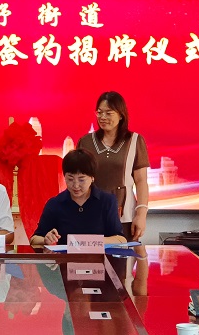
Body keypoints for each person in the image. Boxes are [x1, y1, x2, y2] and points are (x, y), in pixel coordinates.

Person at [76, 91, 150, 241]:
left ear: (121, 115)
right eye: (99, 112)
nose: (103, 117)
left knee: (123, 253)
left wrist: (141, 215)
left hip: (124, 214)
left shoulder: (135, 141)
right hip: (90, 212)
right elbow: (77, 178)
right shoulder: (86, 142)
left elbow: (141, 181)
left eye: (108, 113)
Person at [30, 149, 126, 246]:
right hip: (65, 256)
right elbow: (34, 239)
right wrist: (45, 239)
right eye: (70, 179)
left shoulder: (107, 201)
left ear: (92, 178)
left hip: (99, 255)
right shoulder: (55, 204)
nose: (75, 185)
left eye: (81, 179)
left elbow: (121, 240)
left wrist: (89, 242)